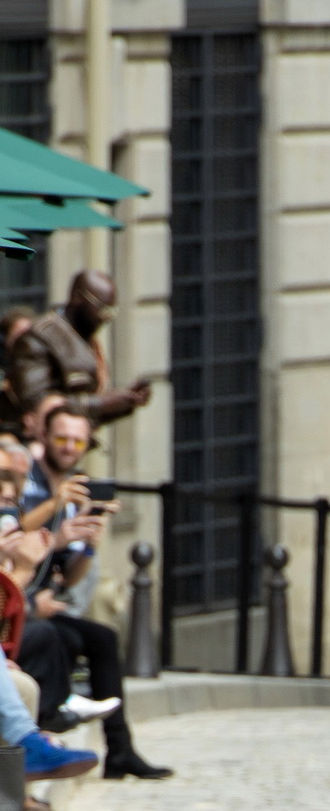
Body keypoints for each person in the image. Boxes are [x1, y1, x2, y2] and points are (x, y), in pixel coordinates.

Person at [16, 407, 172, 779]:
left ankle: (120, 749)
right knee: (56, 637)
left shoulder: (75, 487)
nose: (69, 447)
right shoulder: (29, 479)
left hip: (44, 600)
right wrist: (56, 515)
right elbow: (13, 529)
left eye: (78, 440)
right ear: (43, 437)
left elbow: (68, 578)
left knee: (103, 638)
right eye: (61, 438)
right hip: (19, 601)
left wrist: (88, 546)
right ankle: (48, 728)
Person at [6, 270, 152, 429]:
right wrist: (101, 403)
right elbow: (38, 405)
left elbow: (87, 410)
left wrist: (125, 402)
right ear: (77, 297)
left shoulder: (86, 337)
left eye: (111, 311)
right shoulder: (39, 337)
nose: (106, 317)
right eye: (101, 308)